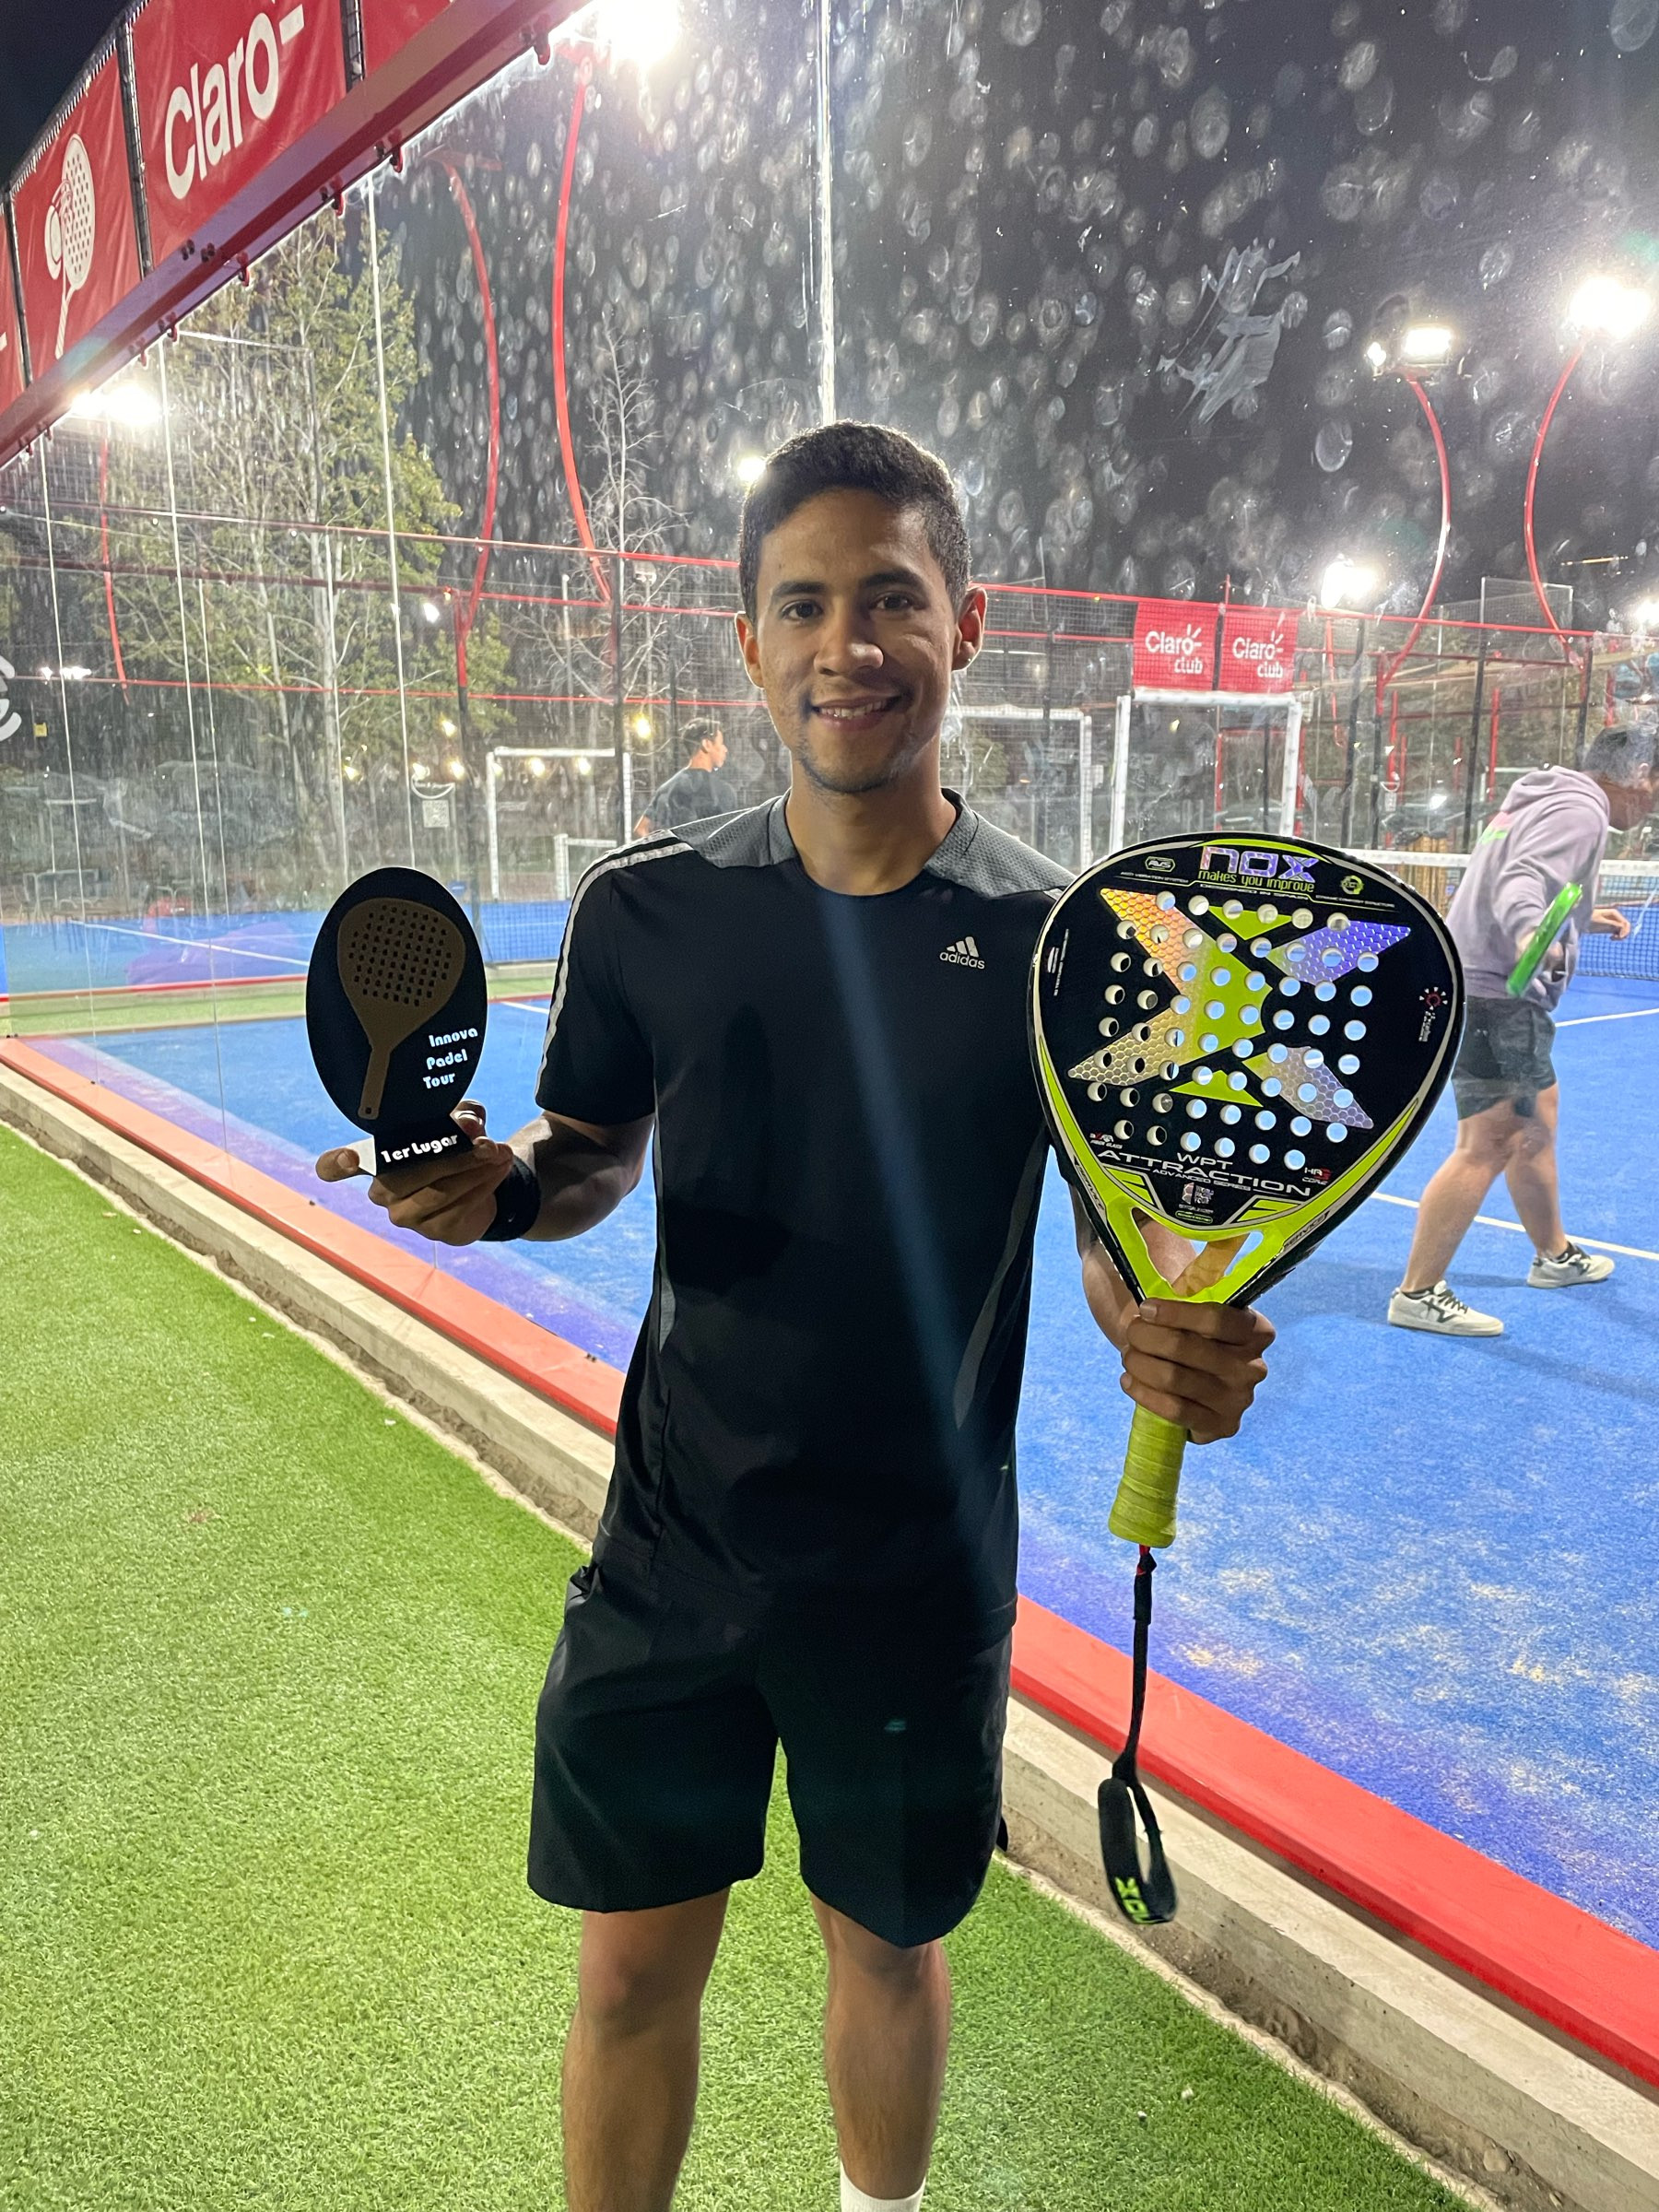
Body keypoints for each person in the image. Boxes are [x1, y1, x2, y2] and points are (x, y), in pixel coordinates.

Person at [316, 422, 1273, 2212]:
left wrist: (1164, 1332)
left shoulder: (1070, 951)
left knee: (888, 1958)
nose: (851, 644)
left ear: (966, 623)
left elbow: (1110, 1243)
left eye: (891, 598)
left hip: (915, 1574)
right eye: (808, 605)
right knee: (627, 1974)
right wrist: (497, 1191)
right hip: (671, 1552)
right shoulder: (648, 910)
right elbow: (587, 1157)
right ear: (748, 640)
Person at [1388, 722, 1653, 1337]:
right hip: (1499, 995)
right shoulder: (1582, 812)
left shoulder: (1548, 795)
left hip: (1484, 984)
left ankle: (1553, 1255)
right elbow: (1522, 882)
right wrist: (1534, 931)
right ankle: (1418, 1292)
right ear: (1640, 777)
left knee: (1538, 1124)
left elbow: (1515, 874)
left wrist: (1581, 917)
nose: (1655, 805)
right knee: (1490, 1142)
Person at [631, 718, 739, 836]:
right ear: (707, 744)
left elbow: (640, 829)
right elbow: (731, 836)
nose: (725, 749)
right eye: (721, 743)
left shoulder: (666, 789)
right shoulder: (723, 792)